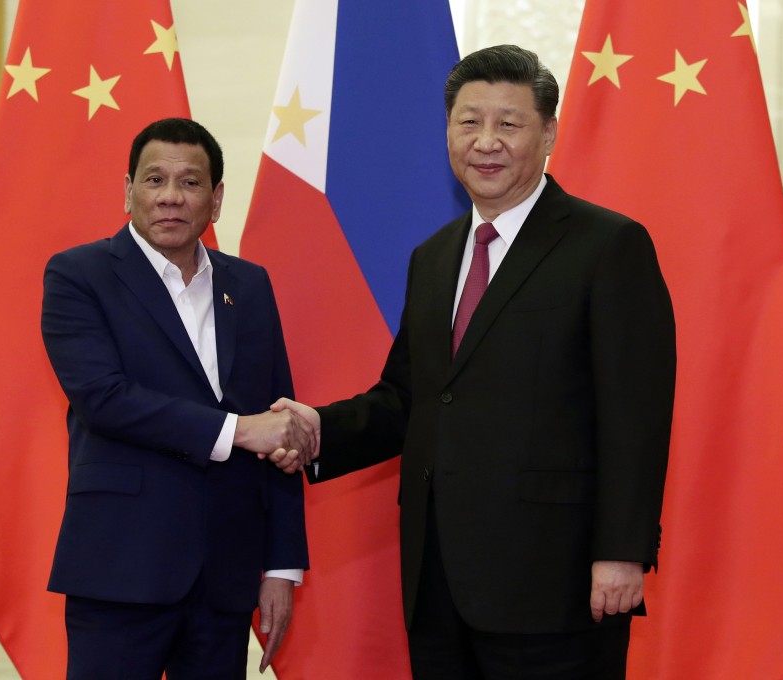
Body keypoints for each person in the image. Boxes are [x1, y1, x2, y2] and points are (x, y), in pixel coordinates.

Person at [269, 45, 676, 679]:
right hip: (437, 582)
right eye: (468, 122)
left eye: (508, 123)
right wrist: (317, 429)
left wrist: (621, 552)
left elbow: (635, 414)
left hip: (557, 582)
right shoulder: (434, 256)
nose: (486, 141)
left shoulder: (608, 245)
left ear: (548, 134)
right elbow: (412, 397)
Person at [41, 117, 312, 680]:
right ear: (128, 191)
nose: (170, 196)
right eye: (154, 179)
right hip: (121, 568)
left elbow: (279, 423)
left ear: (216, 199)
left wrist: (281, 566)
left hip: (225, 575)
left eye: (190, 182)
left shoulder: (250, 285)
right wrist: (239, 430)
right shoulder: (78, 275)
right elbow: (105, 398)